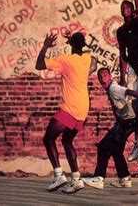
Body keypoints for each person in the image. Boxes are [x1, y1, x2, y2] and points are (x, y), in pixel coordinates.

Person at [35, 31, 96, 194]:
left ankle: (59, 175)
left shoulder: (66, 60)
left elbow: (39, 65)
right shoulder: (86, 58)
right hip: (84, 108)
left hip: (70, 107)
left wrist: (45, 46)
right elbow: (91, 57)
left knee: (48, 139)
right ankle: (76, 179)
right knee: (67, 141)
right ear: (82, 45)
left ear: (70, 45)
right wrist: (73, 41)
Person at [82, 68, 138, 190]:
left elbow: (129, 91)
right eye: (100, 77)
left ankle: (98, 178)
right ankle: (124, 178)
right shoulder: (110, 89)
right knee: (116, 150)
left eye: (104, 75)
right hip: (126, 122)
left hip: (127, 123)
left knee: (103, 146)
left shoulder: (114, 88)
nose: (102, 78)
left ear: (110, 77)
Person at [116, 0, 138, 164]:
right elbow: (122, 53)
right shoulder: (121, 31)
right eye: (123, 7)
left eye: (128, 6)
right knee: (133, 106)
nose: (125, 9)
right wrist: (122, 76)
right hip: (131, 68)